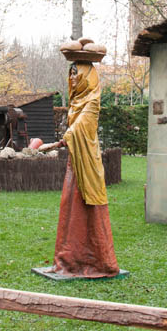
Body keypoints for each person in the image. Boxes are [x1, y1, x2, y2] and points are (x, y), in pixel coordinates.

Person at [41, 55, 119, 279]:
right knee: (70, 209)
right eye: (71, 74)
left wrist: (57, 143)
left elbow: (81, 127)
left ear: (86, 76)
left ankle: (94, 260)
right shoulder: (77, 100)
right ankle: (67, 259)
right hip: (75, 161)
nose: (73, 78)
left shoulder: (92, 101)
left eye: (76, 74)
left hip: (87, 163)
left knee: (84, 207)